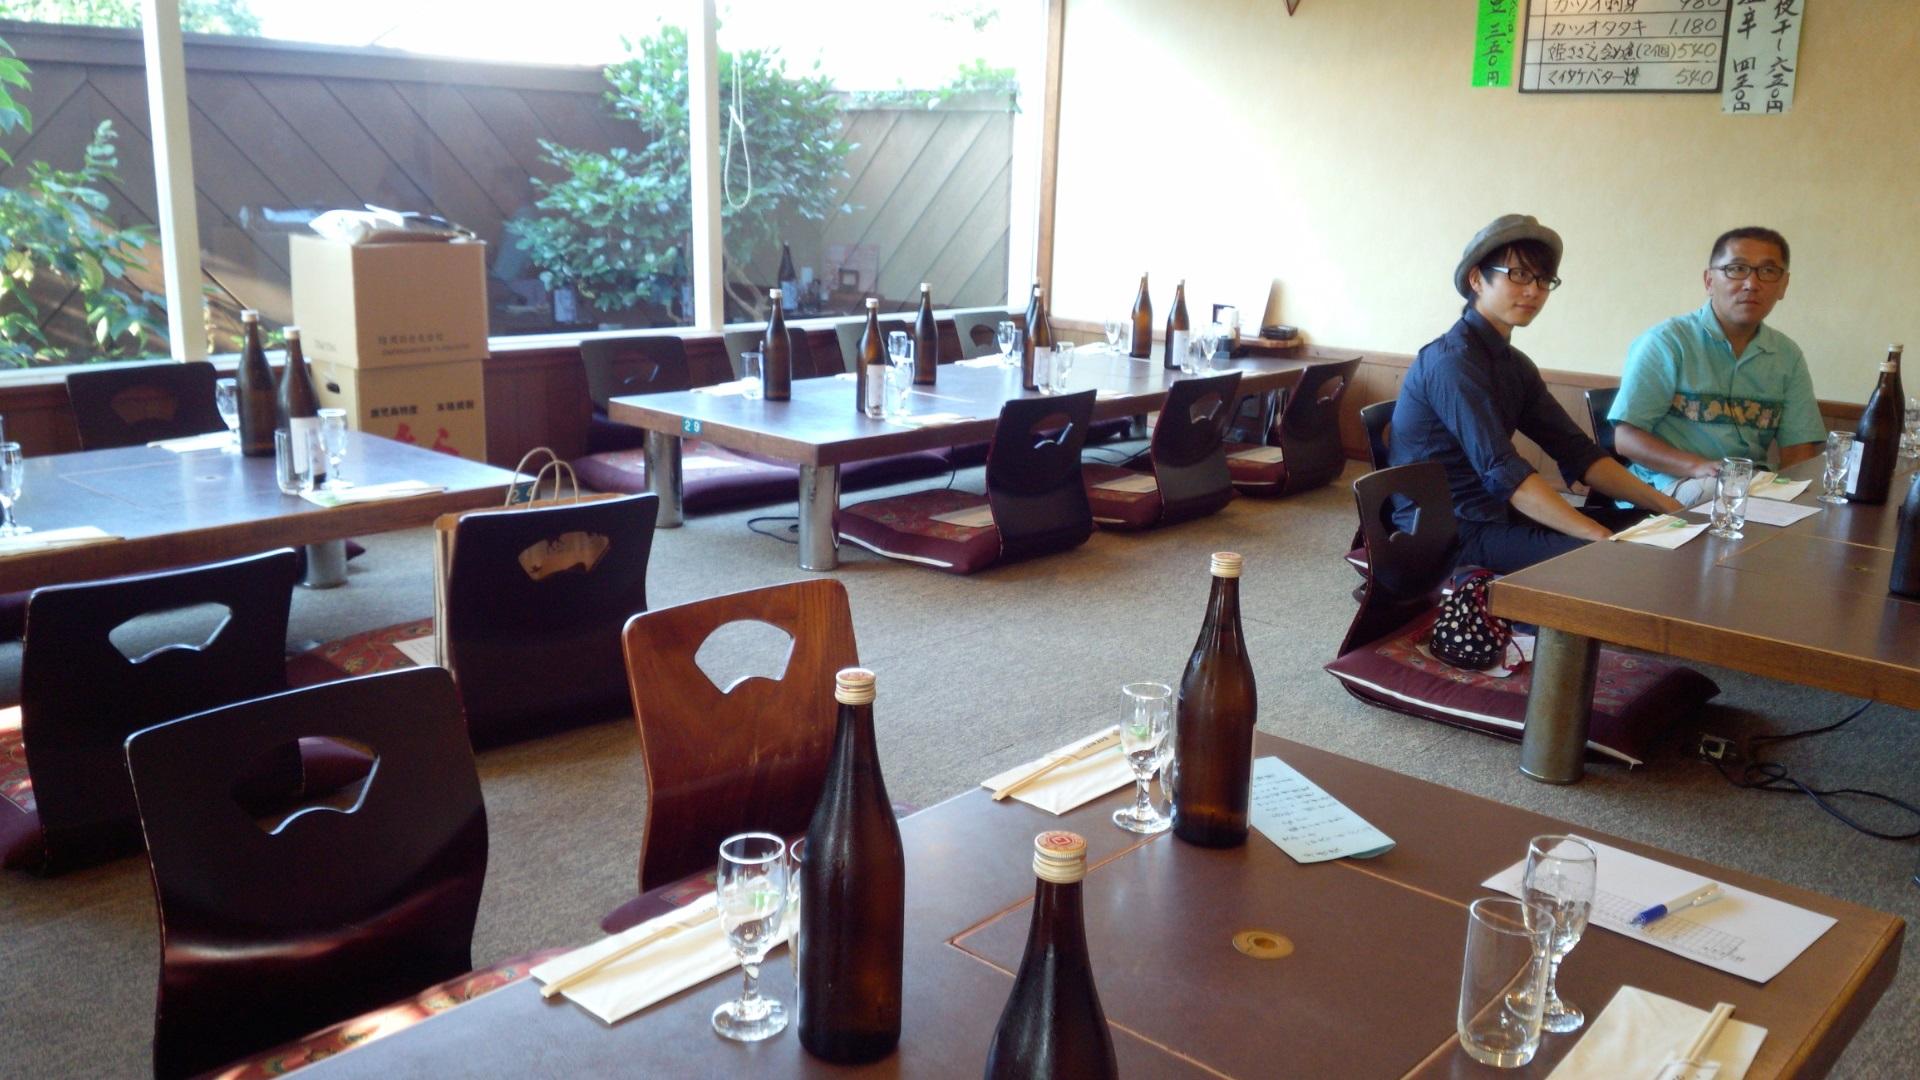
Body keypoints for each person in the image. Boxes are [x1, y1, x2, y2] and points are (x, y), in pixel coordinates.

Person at [1390, 214, 1681, 573]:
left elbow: (1577, 450)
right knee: (1609, 559)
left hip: (1498, 513)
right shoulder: (1451, 362)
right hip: (1446, 529)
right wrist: (1597, 536)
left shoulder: (1514, 364)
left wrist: (1667, 507)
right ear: (1476, 279)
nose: (1534, 291)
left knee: (1650, 528)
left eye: (1543, 279)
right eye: (1519, 275)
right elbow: (1504, 471)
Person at [1608, 227, 1823, 506]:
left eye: (1768, 271)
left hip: (1749, 487)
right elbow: (1626, 439)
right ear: (1709, 281)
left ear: (1784, 285)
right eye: (1737, 269)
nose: (1751, 283)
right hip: (1670, 484)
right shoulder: (1666, 342)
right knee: (1719, 492)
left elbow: (1798, 450)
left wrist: (1792, 497)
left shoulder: (1786, 355)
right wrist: (1697, 466)